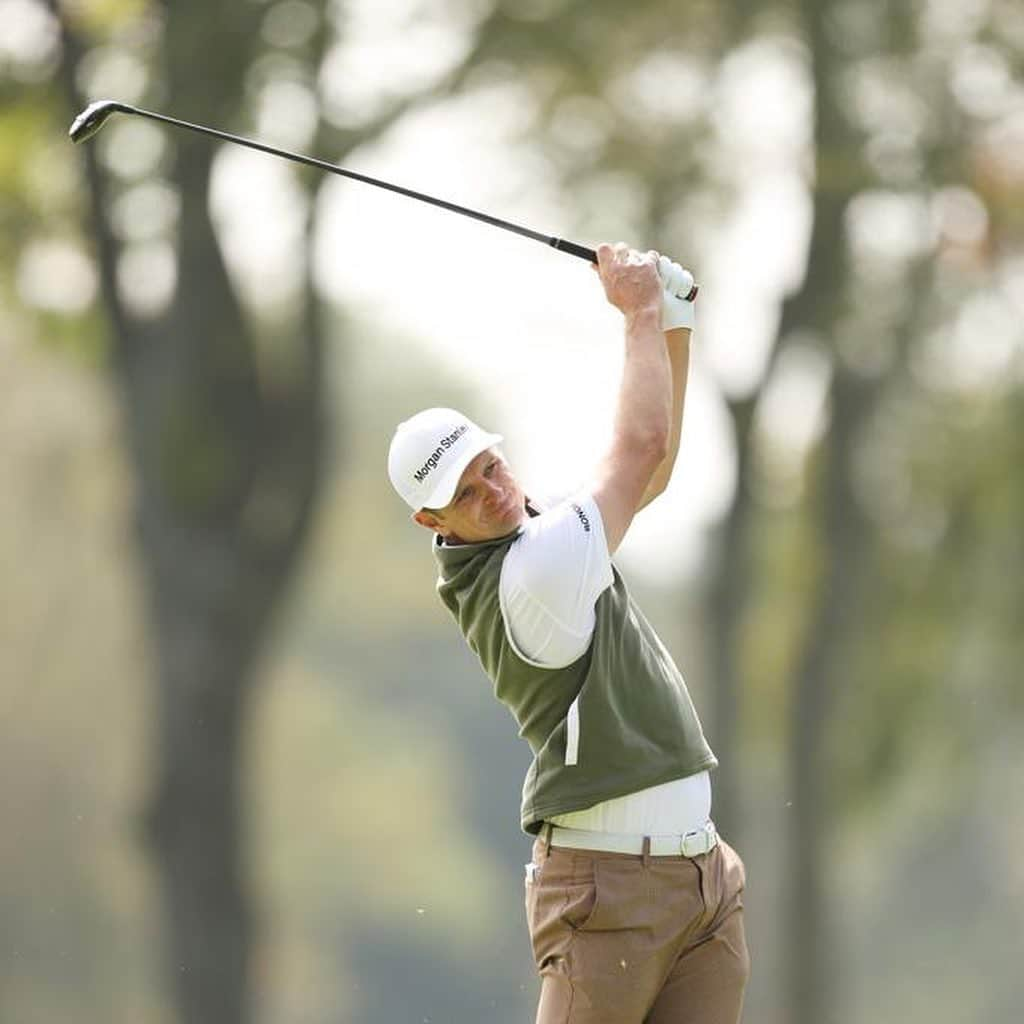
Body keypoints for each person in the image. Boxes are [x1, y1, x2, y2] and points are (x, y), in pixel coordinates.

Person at [387, 243, 749, 1024]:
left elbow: (649, 477)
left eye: (489, 464)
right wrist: (640, 311)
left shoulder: (535, 538)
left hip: (701, 882)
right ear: (431, 519)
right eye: (465, 490)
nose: (493, 490)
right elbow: (641, 448)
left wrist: (673, 322)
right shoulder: (534, 573)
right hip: (610, 889)